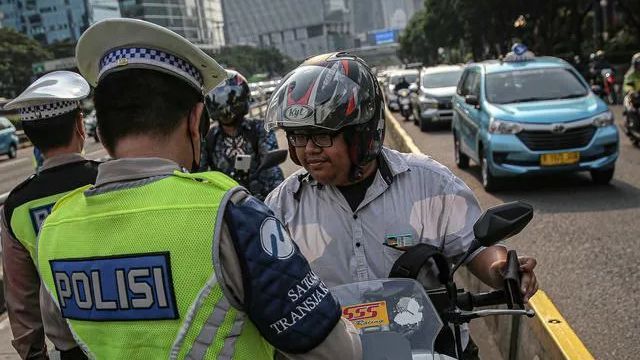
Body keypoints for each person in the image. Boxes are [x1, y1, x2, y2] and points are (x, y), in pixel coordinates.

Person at [34, 19, 360, 359]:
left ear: (99, 132)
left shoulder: (54, 230)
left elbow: (65, 345)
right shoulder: (232, 217)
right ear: (195, 120)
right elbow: (336, 351)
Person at [264, 52, 539, 358]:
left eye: (322, 137)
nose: (309, 150)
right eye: (299, 137)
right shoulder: (282, 207)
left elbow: (475, 246)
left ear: (361, 134)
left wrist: (501, 268)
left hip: (431, 350)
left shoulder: (428, 182)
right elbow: (268, 286)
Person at [1, 71, 97, 359]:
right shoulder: (106, 179)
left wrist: (34, 354)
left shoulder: (17, 206)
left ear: (30, 137)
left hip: (69, 348)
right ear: (80, 125)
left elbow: (21, 300)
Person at [202, 70, 284, 200]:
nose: (226, 108)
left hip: (260, 201)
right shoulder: (209, 137)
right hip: (225, 205)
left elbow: (271, 170)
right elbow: (199, 174)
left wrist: (276, 202)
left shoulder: (259, 129)